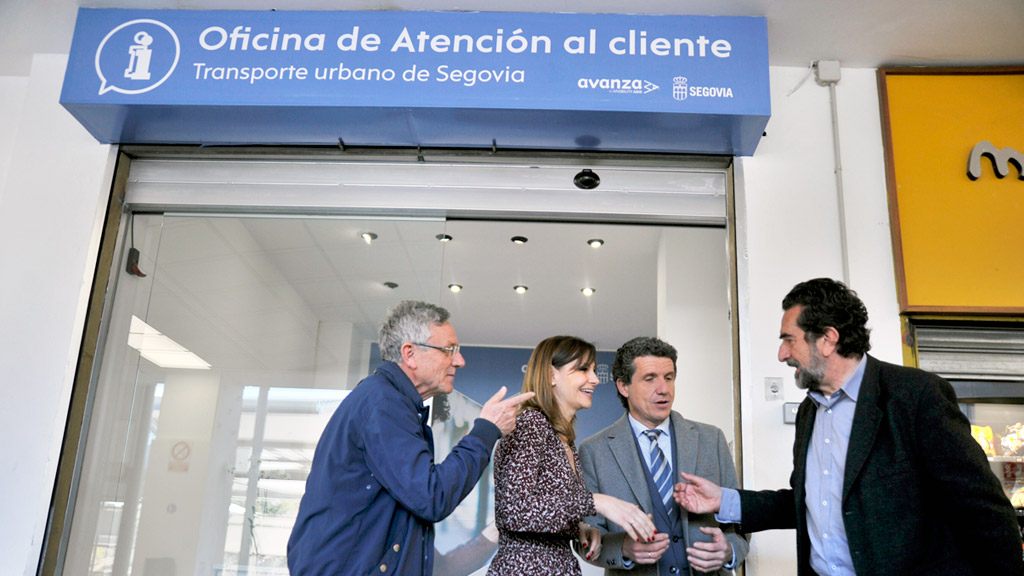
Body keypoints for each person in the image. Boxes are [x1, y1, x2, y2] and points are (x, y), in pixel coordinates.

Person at [674, 278, 1024, 576]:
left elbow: (984, 511)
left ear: (827, 339)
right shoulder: (810, 412)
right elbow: (807, 502)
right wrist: (725, 500)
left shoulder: (916, 396)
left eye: (789, 339)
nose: (782, 354)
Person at [287, 300, 534, 576]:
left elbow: (438, 566)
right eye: (449, 350)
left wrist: (500, 528)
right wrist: (486, 429)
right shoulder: (383, 403)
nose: (459, 361)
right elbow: (432, 496)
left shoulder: (390, 404)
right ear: (410, 354)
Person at [577, 336, 748, 575]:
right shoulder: (594, 450)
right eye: (650, 379)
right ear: (623, 386)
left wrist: (729, 551)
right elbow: (585, 536)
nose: (664, 389)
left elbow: (740, 519)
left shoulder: (712, 439)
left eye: (669, 377)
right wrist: (624, 548)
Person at [488, 335, 657, 576]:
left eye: (594, 370)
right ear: (551, 375)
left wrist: (578, 528)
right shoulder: (530, 423)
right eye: (583, 369)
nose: (595, 379)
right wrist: (597, 502)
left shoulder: (563, 438)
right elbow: (514, 510)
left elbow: (546, 508)